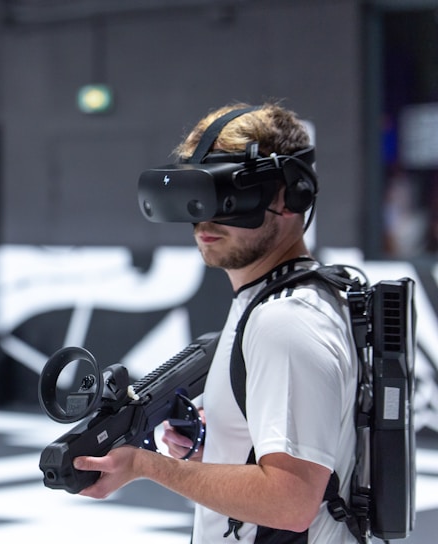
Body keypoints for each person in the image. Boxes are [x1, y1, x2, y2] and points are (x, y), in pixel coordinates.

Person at [74, 103, 361, 543]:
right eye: (196, 195)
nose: (204, 219)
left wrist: (144, 465)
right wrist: (219, 451)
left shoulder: (284, 321)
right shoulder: (284, 299)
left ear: (290, 197)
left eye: (228, 196)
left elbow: (290, 502)